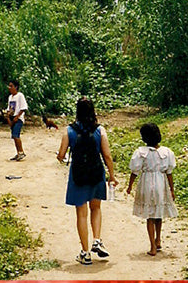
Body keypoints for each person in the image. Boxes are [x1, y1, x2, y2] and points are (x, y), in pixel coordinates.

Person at [57, 97, 118, 265]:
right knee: (96, 208)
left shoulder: (69, 130)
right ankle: (97, 240)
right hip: (96, 173)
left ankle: (85, 253)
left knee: (81, 213)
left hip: (78, 175)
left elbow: (61, 155)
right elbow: (107, 155)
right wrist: (111, 176)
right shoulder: (100, 130)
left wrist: (59, 156)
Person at [125, 123, 178, 256]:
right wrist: (172, 189)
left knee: (150, 215)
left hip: (147, 183)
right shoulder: (166, 152)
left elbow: (135, 171)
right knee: (158, 213)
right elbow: (169, 172)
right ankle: (158, 240)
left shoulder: (141, 152)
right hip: (161, 183)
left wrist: (130, 185)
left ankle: (152, 247)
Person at [6, 80, 28, 161]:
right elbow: (9, 109)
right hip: (12, 118)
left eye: (11, 86)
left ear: (16, 87)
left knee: (16, 135)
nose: (9, 88)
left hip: (18, 119)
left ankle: (21, 152)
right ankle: (18, 152)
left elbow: (24, 107)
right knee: (14, 136)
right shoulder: (10, 97)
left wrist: (17, 116)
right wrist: (8, 117)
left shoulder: (20, 95)